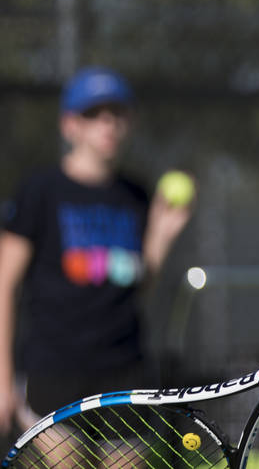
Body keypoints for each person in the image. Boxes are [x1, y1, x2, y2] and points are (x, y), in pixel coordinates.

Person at [0, 67, 195, 436]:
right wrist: (1, 379)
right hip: (53, 369)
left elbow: (135, 288)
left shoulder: (136, 195)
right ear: (69, 125)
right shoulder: (40, 191)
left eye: (117, 112)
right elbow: (3, 285)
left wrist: (161, 237)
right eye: (93, 114)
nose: (107, 122)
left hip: (123, 368)